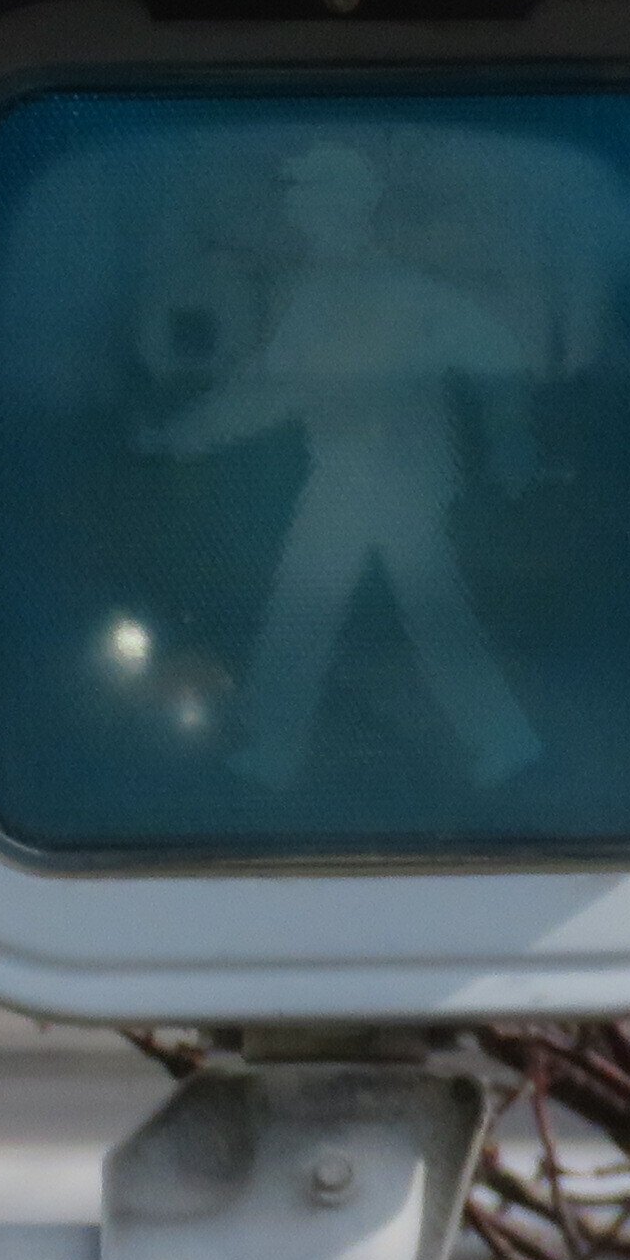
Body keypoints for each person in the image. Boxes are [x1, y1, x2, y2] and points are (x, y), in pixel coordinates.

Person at [136, 136, 542, 793]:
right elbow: (267, 391)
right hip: (347, 477)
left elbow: (496, 349)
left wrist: (511, 438)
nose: (301, 211)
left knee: (413, 617)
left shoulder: (398, 292)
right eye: (301, 199)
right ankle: (273, 752)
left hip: (399, 482)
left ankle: (500, 743)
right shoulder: (318, 295)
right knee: (312, 613)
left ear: (349, 207)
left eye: (315, 198)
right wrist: (181, 437)